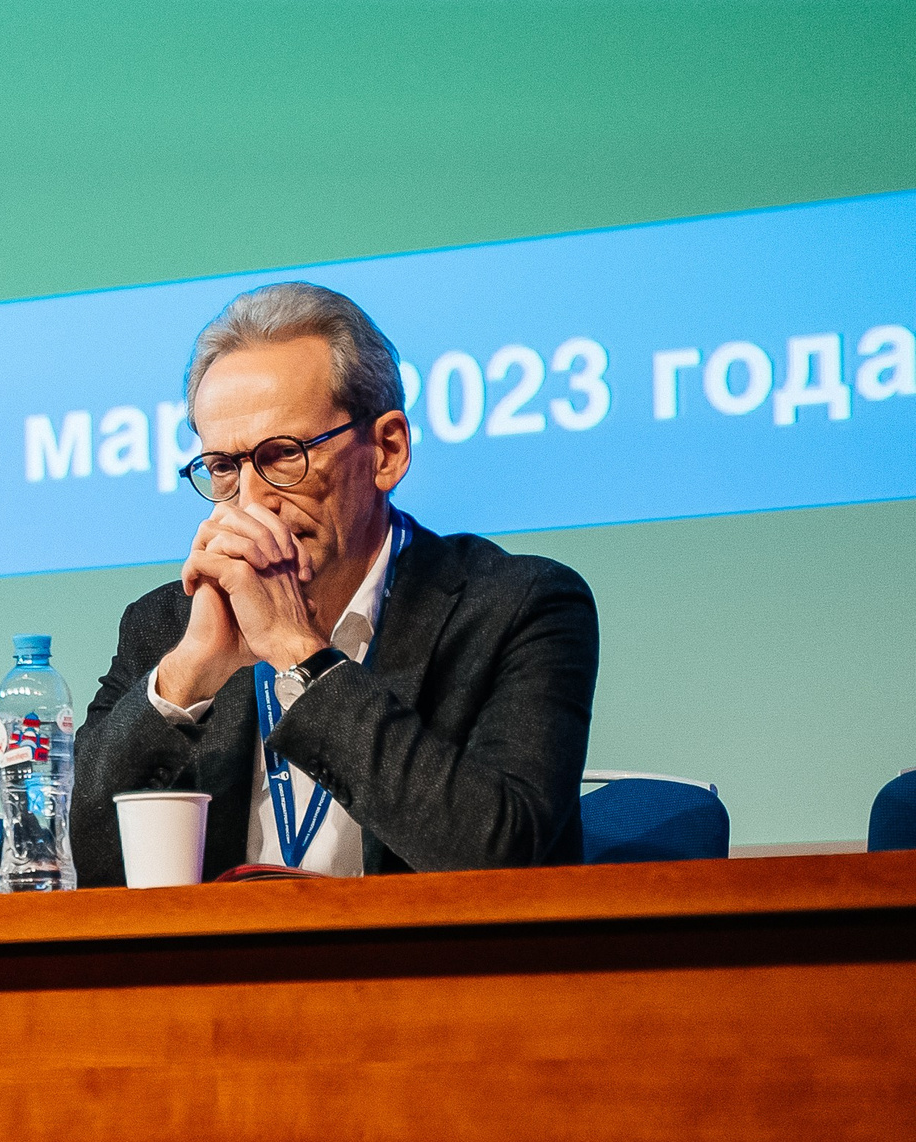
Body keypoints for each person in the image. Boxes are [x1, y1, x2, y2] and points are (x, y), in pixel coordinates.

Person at [70, 283, 599, 883]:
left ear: (386, 451)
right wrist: (191, 671)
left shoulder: (519, 606)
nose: (251, 500)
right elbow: (65, 861)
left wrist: (302, 656)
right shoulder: (170, 625)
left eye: (282, 454)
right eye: (222, 467)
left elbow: (501, 855)